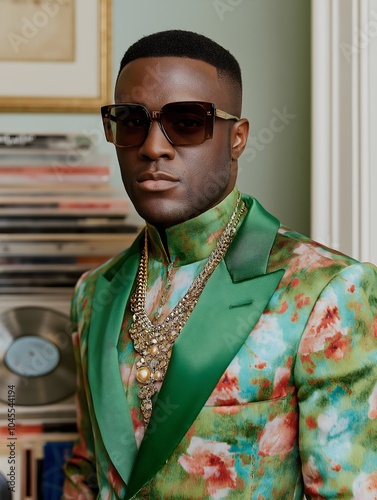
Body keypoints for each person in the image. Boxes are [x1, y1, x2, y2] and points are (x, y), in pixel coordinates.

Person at [63, 29, 377, 499]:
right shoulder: (93, 292)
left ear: (238, 138)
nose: (153, 147)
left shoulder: (326, 290)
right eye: (131, 121)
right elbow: (87, 475)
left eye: (187, 122)